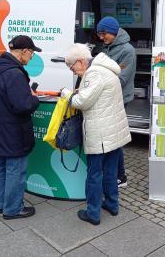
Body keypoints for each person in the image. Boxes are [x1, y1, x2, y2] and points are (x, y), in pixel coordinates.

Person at [62, 44, 131, 225]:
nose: (73, 71)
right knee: (110, 171)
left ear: (80, 61)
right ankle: (112, 204)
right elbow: (98, 95)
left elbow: (82, 102)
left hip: (100, 133)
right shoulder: (104, 68)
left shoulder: (94, 73)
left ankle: (92, 212)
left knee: (94, 173)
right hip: (113, 132)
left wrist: (66, 93)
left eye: (72, 67)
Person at [0, 35, 41, 219]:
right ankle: (13, 209)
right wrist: (33, 97)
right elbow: (23, 105)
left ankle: (0, 204)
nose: (32, 57)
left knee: (2, 166)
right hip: (13, 130)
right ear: (24, 51)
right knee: (16, 169)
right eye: (31, 53)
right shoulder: (14, 73)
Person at [96, 16, 136, 188]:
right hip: (107, 97)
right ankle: (116, 173)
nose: (101, 37)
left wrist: (98, 85)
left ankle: (120, 176)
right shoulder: (106, 47)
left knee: (115, 139)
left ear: (113, 32)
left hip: (119, 98)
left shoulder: (127, 50)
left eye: (104, 34)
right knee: (112, 138)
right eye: (99, 34)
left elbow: (122, 79)